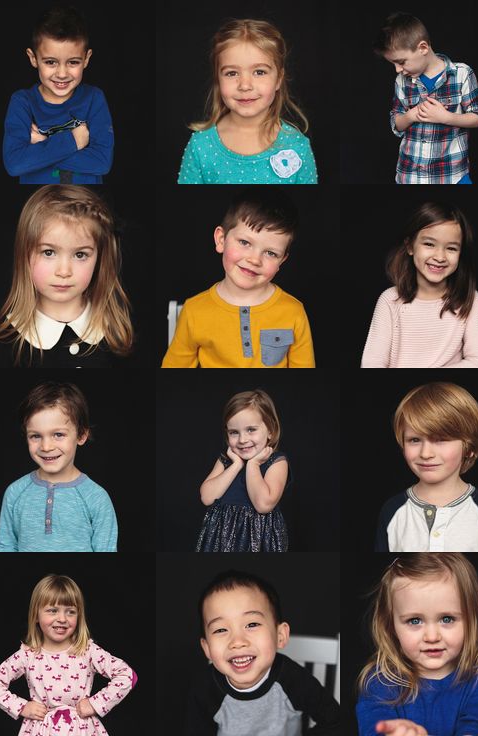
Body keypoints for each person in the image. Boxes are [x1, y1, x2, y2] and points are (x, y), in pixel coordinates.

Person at [162, 188, 314, 368]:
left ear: (282, 259)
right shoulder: (194, 310)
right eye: (244, 243)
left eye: (271, 253)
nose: (254, 260)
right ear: (221, 240)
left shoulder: (293, 312)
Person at [0, 185, 133, 368]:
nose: (64, 271)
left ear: (100, 259)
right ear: (24, 254)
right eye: (48, 252)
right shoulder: (7, 343)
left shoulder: (115, 335)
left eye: (80, 255)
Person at [357, 553, 478, 736]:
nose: (432, 637)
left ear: (471, 621)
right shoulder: (379, 683)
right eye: (415, 621)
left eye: (447, 618)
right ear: (391, 627)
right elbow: (374, 729)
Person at [186, 569, 341, 735]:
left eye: (252, 624)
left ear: (280, 636)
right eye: (221, 629)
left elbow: (335, 722)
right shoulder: (204, 690)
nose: (237, 642)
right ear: (207, 648)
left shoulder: (293, 679)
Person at [0, 574, 135, 735]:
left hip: (82, 730)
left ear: (79, 617)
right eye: (52, 610)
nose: (62, 618)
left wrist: (95, 704)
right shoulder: (27, 655)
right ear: (36, 615)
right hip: (40, 730)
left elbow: (127, 674)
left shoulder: (87, 650)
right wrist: (22, 707)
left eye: (70, 612)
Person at [178, 18, 316, 184]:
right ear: (218, 79)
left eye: (259, 72)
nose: (245, 85)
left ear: (279, 78)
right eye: (231, 73)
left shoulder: (298, 145)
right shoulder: (200, 146)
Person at [375, 382, 478, 552]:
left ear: (469, 448)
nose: (425, 453)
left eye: (440, 440)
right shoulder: (392, 510)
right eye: (415, 440)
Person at [361, 202, 478, 368]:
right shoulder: (389, 300)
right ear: (410, 246)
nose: (440, 256)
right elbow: (372, 363)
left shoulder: (469, 298)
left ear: (461, 253)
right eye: (429, 244)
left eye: (451, 248)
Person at [0, 382, 117, 552]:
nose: (46, 447)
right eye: (36, 436)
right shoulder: (14, 492)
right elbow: (4, 546)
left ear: (81, 435)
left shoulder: (97, 498)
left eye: (58, 434)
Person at [373, 12, 478, 184]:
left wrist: (447, 118)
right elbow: (396, 123)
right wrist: (411, 115)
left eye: (401, 62)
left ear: (423, 48)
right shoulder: (402, 81)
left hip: (453, 175)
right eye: (393, 64)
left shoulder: (462, 74)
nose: (397, 69)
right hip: (409, 175)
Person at [3, 6, 113, 183]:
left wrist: (43, 145)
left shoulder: (94, 98)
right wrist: (74, 141)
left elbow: (102, 162)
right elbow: (15, 164)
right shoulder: (22, 102)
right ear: (33, 58)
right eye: (51, 62)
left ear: (86, 59)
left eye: (73, 62)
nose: (62, 74)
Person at [197, 390, 290, 552]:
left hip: (258, 538)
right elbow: (207, 497)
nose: (242, 440)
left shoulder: (276, 462)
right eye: (234, 432)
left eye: (251, 430)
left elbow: (263, 505)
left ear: (270, 430)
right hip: (219, 538)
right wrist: (236, 465)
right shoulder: (226, 460)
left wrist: (253, 465)